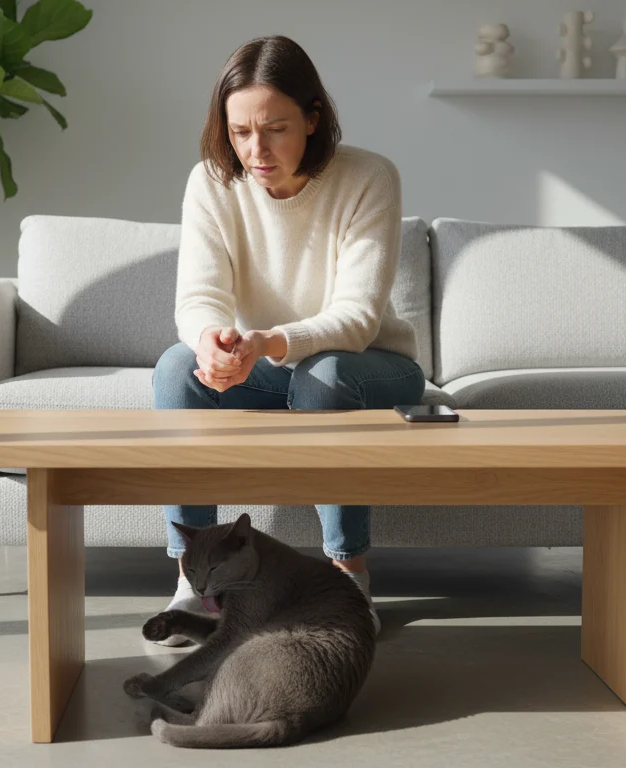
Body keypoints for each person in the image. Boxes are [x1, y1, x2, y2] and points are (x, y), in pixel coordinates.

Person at [151, 35, 424, 644]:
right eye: (240, 132)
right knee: (175, 370)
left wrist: (267, 340)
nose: (256, 150)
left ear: (313, 117)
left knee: (323, 375)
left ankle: (348, 574)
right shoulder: (211, 183)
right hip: (266, 366)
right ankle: (192, 582)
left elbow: (355, 318)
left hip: (367, 368)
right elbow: (197, 299)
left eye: (274, 129)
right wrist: (213, 341)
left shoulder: (368, 177)